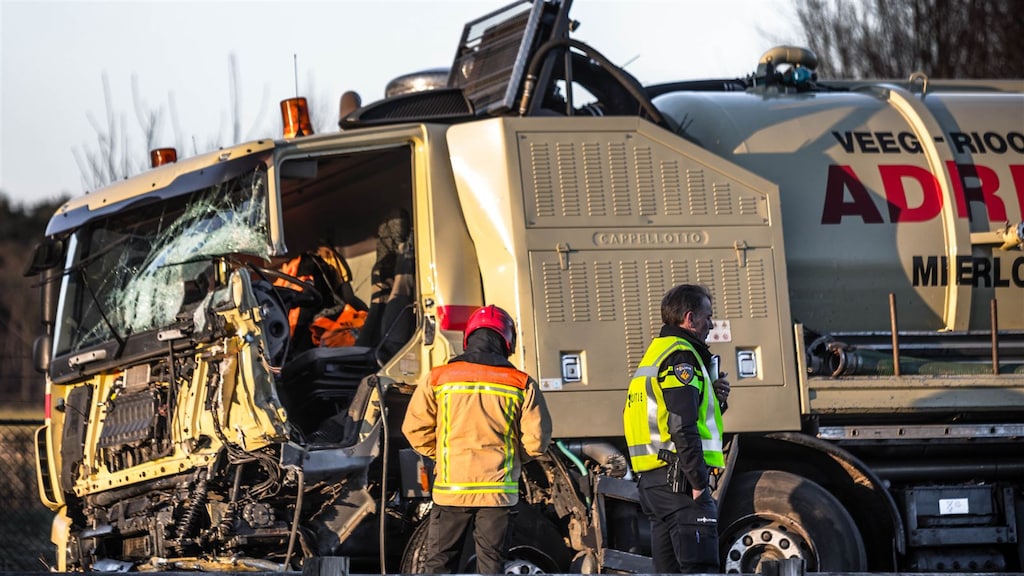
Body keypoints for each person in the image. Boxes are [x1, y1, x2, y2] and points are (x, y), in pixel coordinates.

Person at [402, 305, 552, 574]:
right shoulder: (521, 383)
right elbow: (537, 440)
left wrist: (445, 455)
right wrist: (513, 458)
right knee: (491, 565)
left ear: (468, 338)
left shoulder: (439, 378)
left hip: (452, 490)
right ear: (508, 342)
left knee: (439, 564)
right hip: (497, 494)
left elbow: (415, 429)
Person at [622, 284, 731, 573]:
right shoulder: (681, 357)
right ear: (690, 318)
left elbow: (671, 416)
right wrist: (698, 483)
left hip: (654, 483)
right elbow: (682, 426)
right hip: (680, 482)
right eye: (708, 317)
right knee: (700, 569)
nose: (711, 325)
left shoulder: (656, 353)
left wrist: (715, 399)